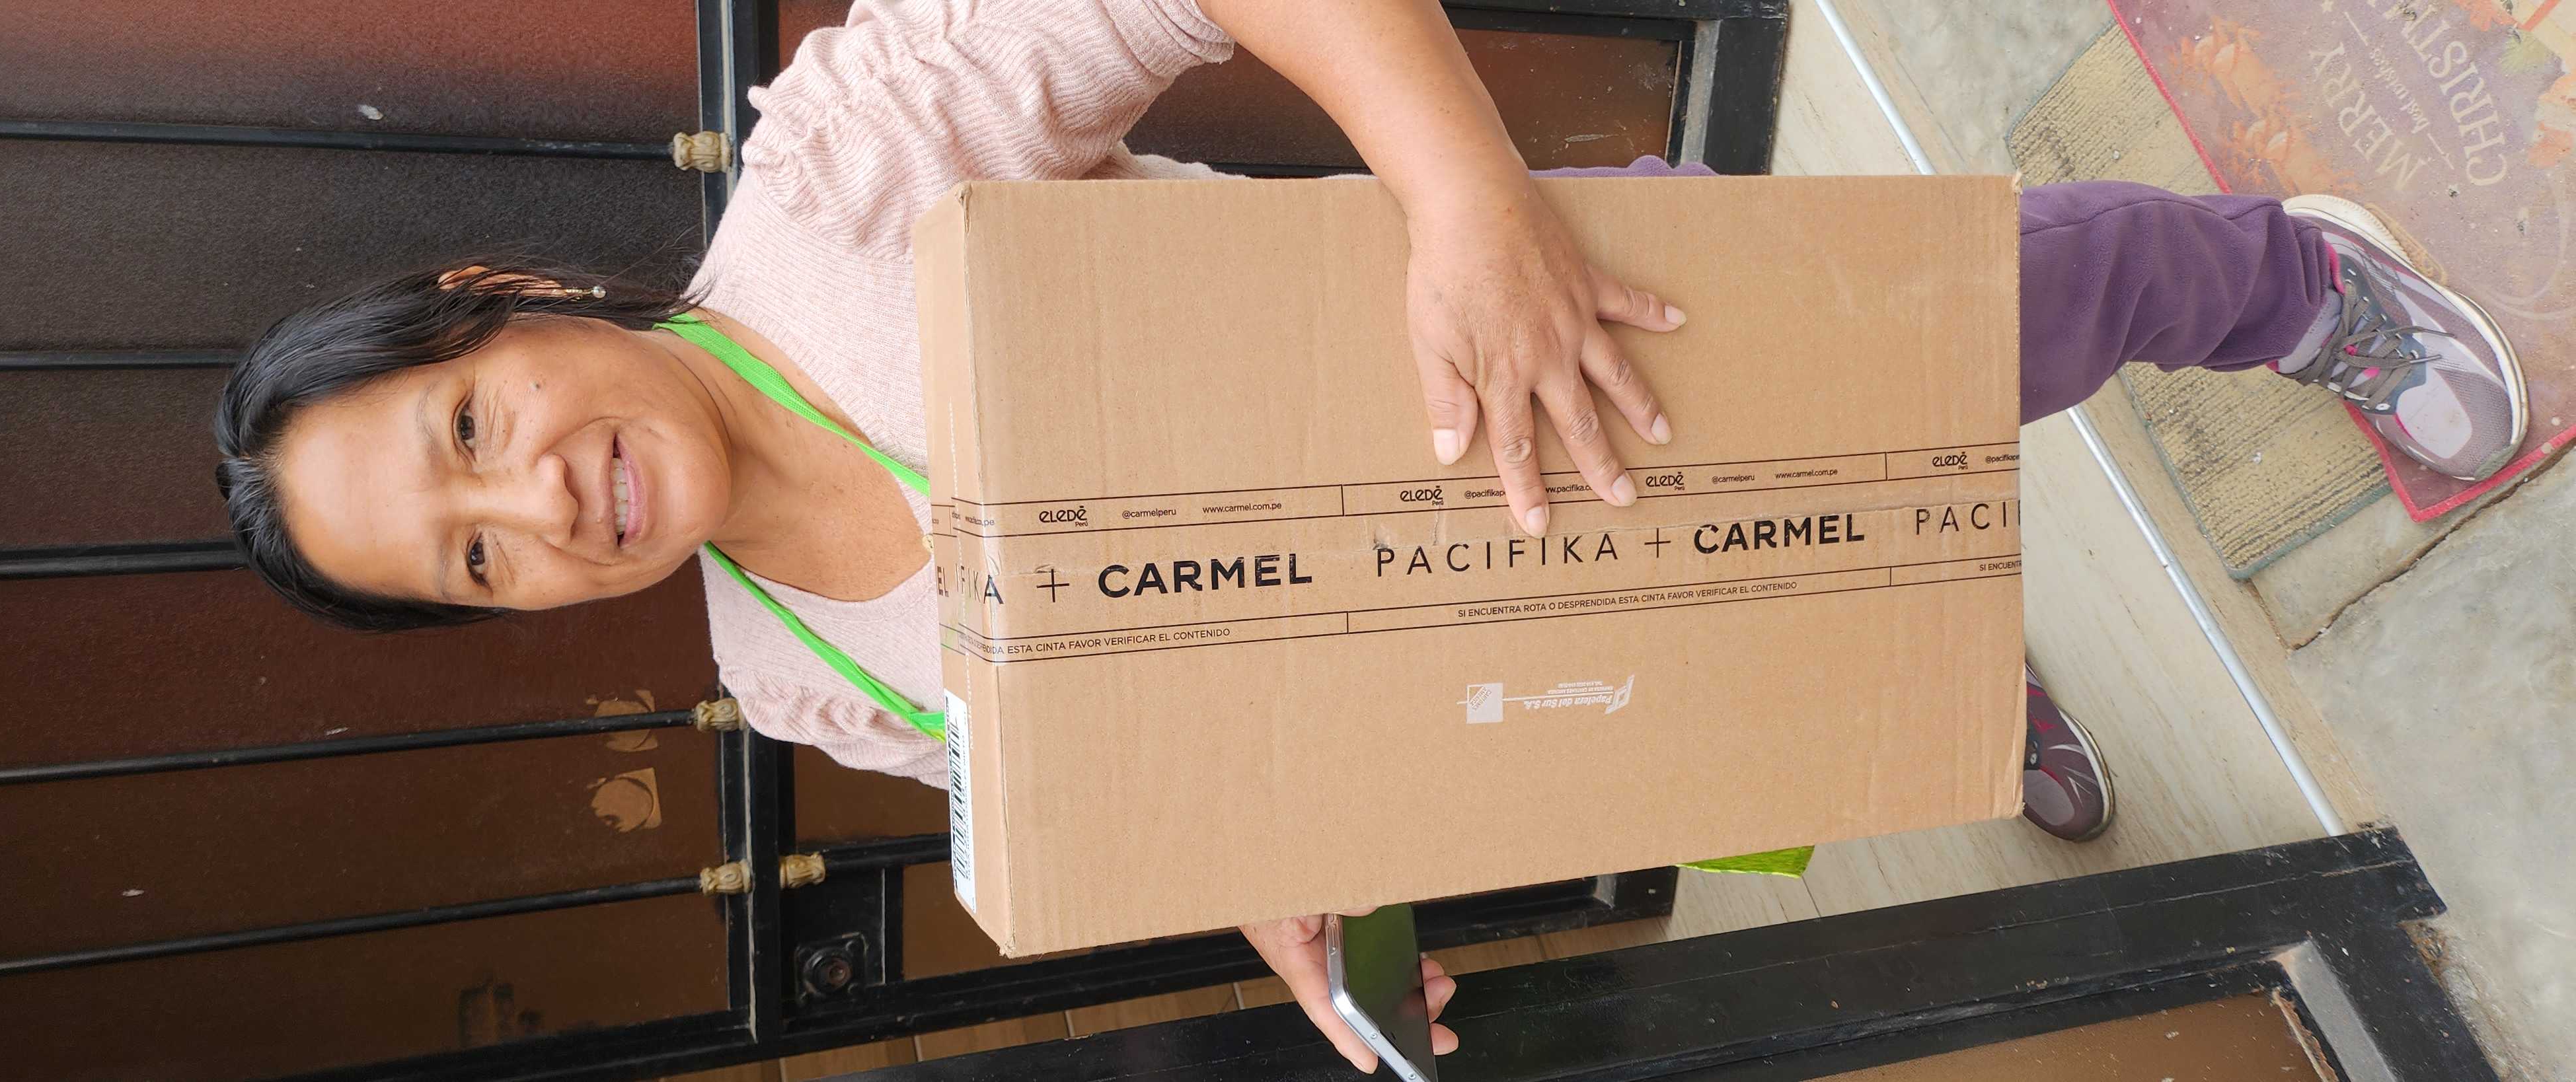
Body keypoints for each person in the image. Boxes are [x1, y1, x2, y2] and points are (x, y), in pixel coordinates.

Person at [210, 0, 2526, 1070]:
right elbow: (1125, 760)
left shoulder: (838, 177)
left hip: (1550, 342)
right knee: (1777, 680)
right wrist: (1294, 909)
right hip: (1508, 618)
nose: (539, 504)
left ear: (500, 301)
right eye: (475, 559)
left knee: (1981, 322)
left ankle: (2294, 287)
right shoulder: (783, 677)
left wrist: (1469, 210)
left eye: (473, 429)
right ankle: (1941, 676)